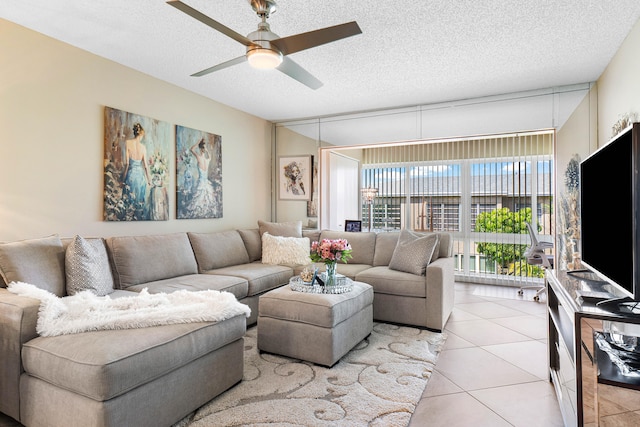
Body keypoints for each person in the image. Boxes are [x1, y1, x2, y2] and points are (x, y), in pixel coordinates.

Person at [121, 123, 151, 219]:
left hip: (131, 175)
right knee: (139, 202)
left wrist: (123, 178)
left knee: (129, 202)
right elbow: (146, 166)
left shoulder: (128, 143)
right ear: (141, 134)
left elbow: (127, 164)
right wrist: (149, 179)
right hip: (141, 177)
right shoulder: (143, 147)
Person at [183, 138, 219, 218]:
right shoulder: (207, 160)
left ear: (200, 149)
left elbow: (191, 149)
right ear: (204, 149)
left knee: (198, 201)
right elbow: (209, 156)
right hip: (206, 183)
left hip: (201, 183)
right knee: (207, 200)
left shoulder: (199, 158)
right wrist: (206, 150)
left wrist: (198, 142)